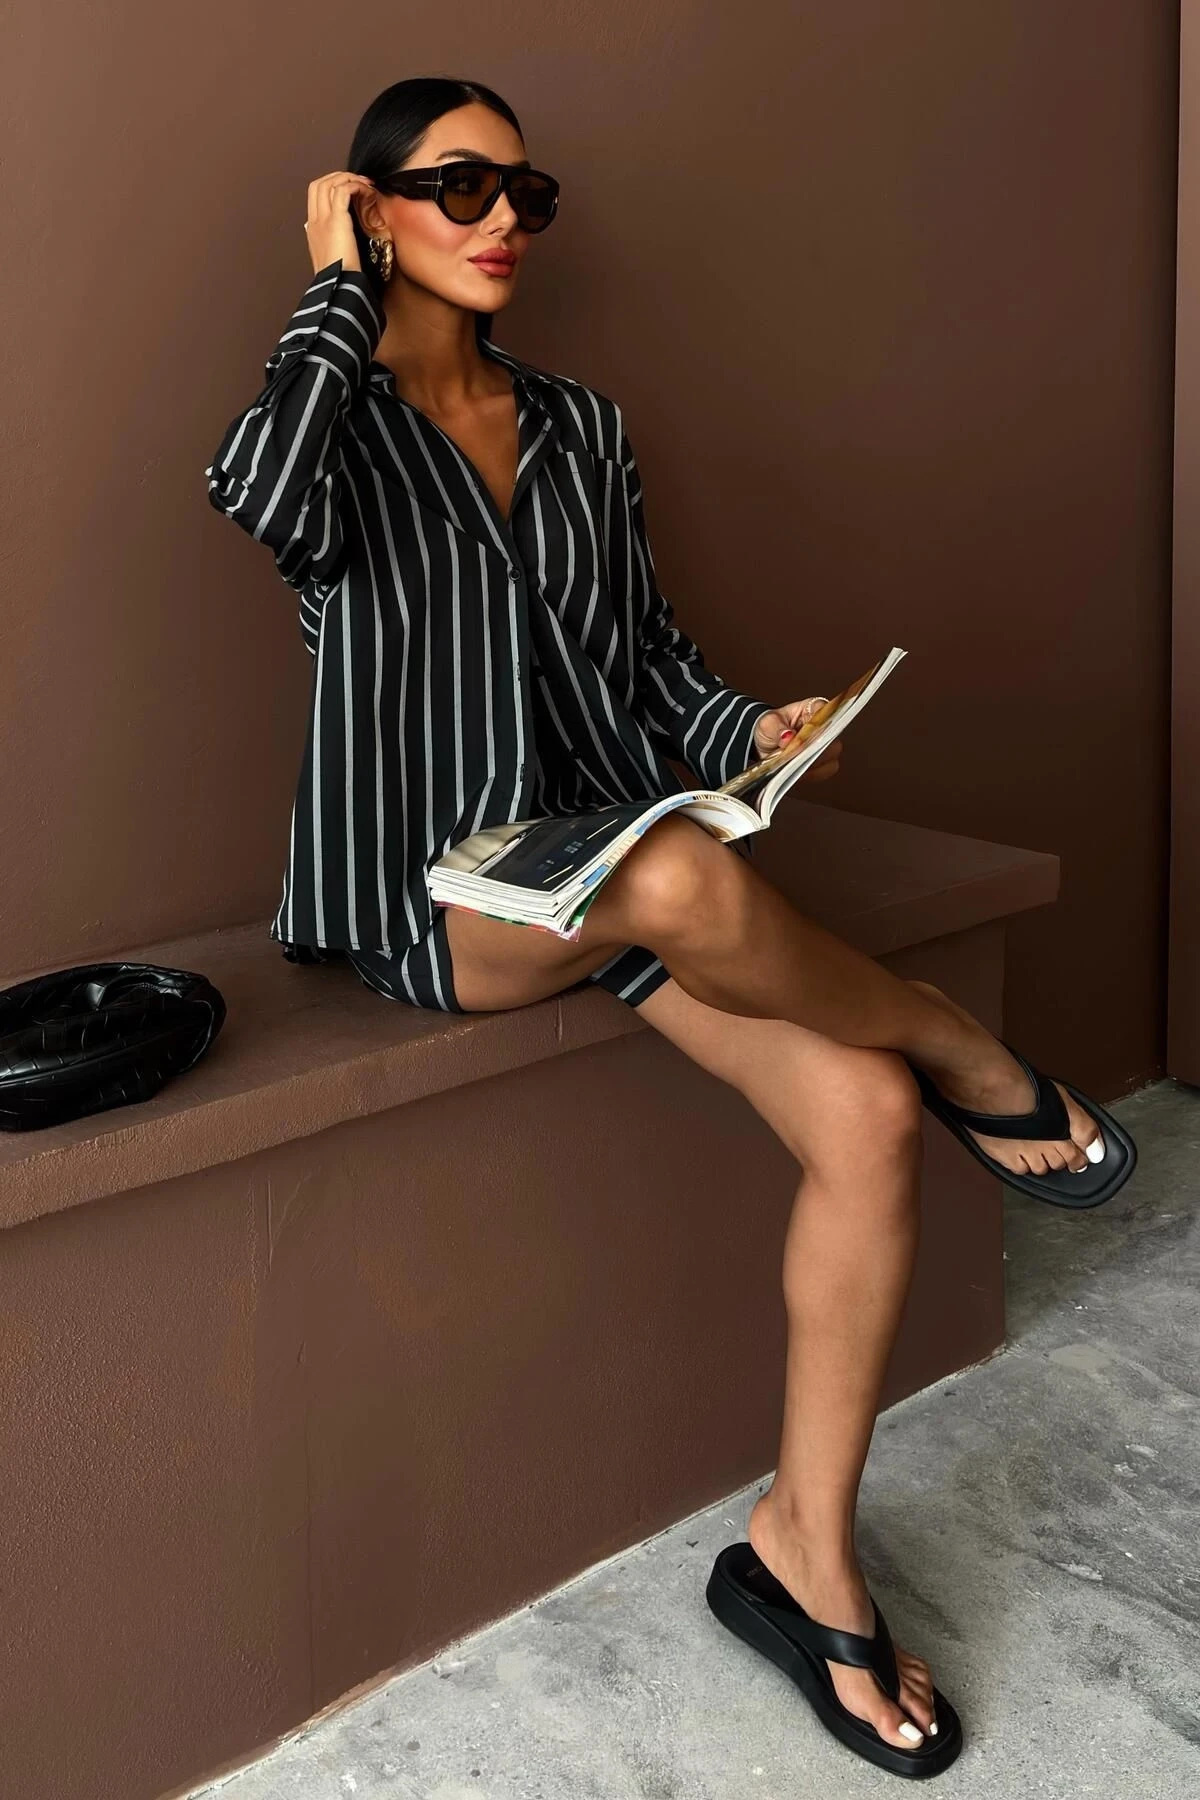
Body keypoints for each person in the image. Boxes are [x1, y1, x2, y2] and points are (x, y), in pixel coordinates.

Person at [205, 75, 1135, 1779]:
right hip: (432, 891)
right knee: (698, 890)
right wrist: (332, 288)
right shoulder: (328, 423)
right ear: (368, 204)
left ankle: (802, 1554)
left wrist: (751, 732)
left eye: (525, 190)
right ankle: (955, 1039)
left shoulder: (582, 428)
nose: (503, 218)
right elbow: (255, 498)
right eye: (458, 185)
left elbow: (643, 662)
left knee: (862, 1117)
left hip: (599, 861)